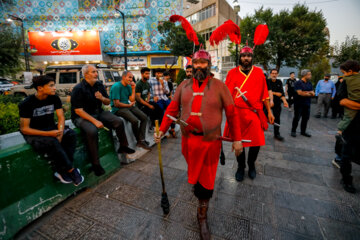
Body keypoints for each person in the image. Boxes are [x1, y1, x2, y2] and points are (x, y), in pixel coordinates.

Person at [154, 49, 243, 240]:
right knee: (195, 171)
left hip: (211, 142)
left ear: (209, 64)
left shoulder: (220, 86)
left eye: (203, 63)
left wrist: (237, 139)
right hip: (188, 141)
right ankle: (199, 188)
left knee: (207, 179)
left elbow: (232, 114)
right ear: (191, 65)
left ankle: (202, 216)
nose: (199, 66)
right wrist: (162, 130)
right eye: (196, 63)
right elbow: (171, 108)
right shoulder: (183, 86)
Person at [19, 75, 84, 186]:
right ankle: (71, 170)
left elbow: (61, 117)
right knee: (52, 141)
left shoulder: (54, 98)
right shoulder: (26, 103)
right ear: (40, 88)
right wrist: (49, 134)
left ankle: (61, 171)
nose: (55, 88)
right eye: (51, 86)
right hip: (34, 133)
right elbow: (24, 129)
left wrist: (60, 133)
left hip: (51, 128)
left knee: (70, 134)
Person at [71, 64, 135, 176]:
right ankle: (96, 164)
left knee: (118, 121)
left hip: (98, 112)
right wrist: (95, 121)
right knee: (92, 131)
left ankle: (123, 146)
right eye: (93, 72)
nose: (96, 74)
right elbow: (78, 111)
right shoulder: (78, 89)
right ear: (86, 74)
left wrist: (101, 98)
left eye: (96, 71)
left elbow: (107, 102)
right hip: (81, 116)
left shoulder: (99, 85)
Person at [223, 45, 275, 182]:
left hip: (254, 113)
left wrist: (269, 111)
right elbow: (226, 96)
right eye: (244, 56)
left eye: (249, 56)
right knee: (238, 142)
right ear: (240, 57)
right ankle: (241, 167)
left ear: (252, 58)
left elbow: (264, 95)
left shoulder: (258, 73)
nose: (246, 58)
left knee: (256, 142)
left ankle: (251, 165)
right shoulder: (231, 73)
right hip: (237, 114)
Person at [335, 60, 360, 193]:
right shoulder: (345, 82)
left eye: (344, 72)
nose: (342, 74)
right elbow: (342, 101)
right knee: (347, 154)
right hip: (351, 125)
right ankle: (346, 180)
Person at [110, 71, 151, 150]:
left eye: (132, 77)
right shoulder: (116, 86)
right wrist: (128, 105)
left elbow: (131, 99)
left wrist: (133, 88)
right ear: (123, 77)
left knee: (144, 117)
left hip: (128, 106)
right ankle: (138, 140)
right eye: (129, 77)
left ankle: (141, 140)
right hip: (118, 109)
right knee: (135, 120)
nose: (131, 79)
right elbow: (116, 104)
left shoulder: (129, 86)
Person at [149, 69, 176, 137]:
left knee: (172, 109)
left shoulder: (164, 81)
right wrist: (153, 97)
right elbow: (149, 92)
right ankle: (162, 130)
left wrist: (163, 85)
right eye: (158, 73)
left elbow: (167, 92)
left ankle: (172, 128)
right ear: (155, 73)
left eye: (160, 74)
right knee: (160, 110)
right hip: (157, 99)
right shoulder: (151, 81)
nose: (159, 75)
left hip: (164, 98)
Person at [291, 69, 315, 137]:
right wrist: (308, 93)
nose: (311, 76)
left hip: (307, 104)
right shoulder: (298, 83)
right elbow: (300, 93)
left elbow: (313, 93)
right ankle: (293, 131)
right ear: (304, 75)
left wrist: (306, 92)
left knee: (305, 118)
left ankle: (303, 131)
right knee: (297, 118)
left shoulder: (309, 83)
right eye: (309, 74)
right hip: (299, 104)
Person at [269, 69, 289, 141]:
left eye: (275, 73)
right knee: (263, 117)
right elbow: (268, 92)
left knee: (277, 118)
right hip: (267, 103)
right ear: (270, 74)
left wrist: (285, 101)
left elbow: (281, 94)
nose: (274, 75)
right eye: (273, 73)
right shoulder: (267, 81)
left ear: (277, 74)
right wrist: (275, 93)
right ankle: (259, 133)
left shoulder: (279, 82)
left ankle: (277, 134)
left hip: (277, 103)